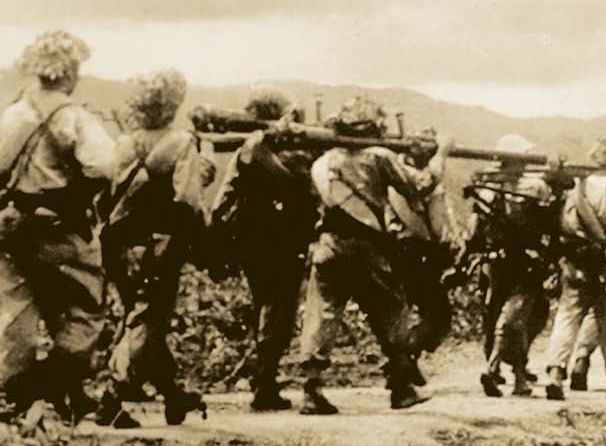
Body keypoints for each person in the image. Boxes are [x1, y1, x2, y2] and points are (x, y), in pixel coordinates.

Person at [292, 96, 448, 414]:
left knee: (322, 312)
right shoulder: (379, 157)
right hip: (367, 247)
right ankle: (401, 387)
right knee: (392, 311)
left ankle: (311, 390)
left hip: (329, 245)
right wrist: (440, 155)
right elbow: (420, 186)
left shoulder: (322, 163)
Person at [0, 31, 116, 420]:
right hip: (62, 229)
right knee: (84, 309)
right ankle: (53, 384)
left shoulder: (14, 113)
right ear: (70, 73)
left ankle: (14, 398)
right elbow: (103, 166)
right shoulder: (74, 117)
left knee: (18, 311)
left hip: (14, 227)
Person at [93, 68, 215, 428]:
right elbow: (188, 200)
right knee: (147, 319)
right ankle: (112, 396)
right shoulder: (181, 145)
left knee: (141, 315)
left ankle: (172, 394)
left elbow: (105, 191)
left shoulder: (124, 144)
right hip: (160, 245)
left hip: (117, 243)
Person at [210, 85, 322, 410]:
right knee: (278, 310)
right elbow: (299, 186)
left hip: (252, 239)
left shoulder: (247, 149)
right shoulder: (264, 150)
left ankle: (264, 379)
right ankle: (265, 382)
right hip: (278, 239)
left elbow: (223, 198)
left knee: (266, 306)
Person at [458, 140, 561, 398]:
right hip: (526, 261)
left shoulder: (487, 187)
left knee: (510, 318)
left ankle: (517, 378)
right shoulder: (535, 187)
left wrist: (469, 256)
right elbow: (550, 223)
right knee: (515, 318)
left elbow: (474, 230)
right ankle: (494, 367)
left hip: (496, 261)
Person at [542, 135, 606, 401]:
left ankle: (555, 373)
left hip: (576, 259)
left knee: (567, 316)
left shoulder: (578, 187)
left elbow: (566, 221)